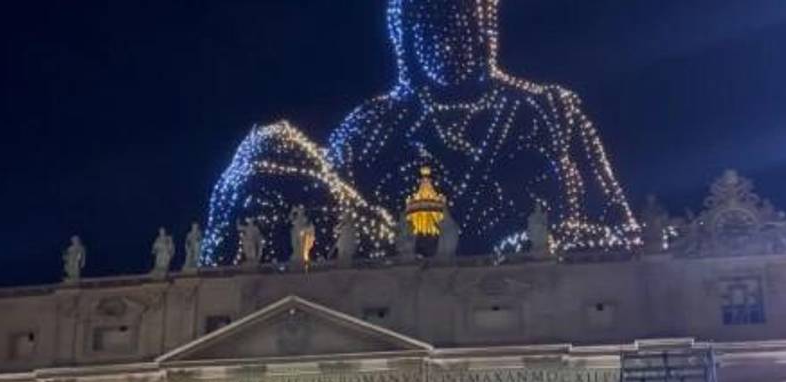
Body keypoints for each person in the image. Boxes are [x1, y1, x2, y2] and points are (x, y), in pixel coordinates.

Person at [206, 0, 639, 262]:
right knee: (268, 156)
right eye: (433, 27)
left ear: (484, 25)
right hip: (399, 322)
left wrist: (574, 239)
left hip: (541, 303)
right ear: (407, 35)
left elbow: (630, 236)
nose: (450, 41)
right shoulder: (367, 129)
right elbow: (330, 249)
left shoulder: (551, 110)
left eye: (461, 22)